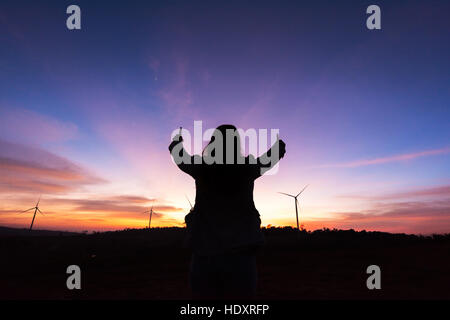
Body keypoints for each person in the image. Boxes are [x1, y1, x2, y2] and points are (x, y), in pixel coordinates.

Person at [169, 124, 286, 299]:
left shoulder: (202, 168)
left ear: (213, 142)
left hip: (204, 252)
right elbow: (269, 159)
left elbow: (180, 157)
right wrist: (279, 147)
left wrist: (177, 141)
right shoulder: (246, 168)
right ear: (236, 143)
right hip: (241, 254)